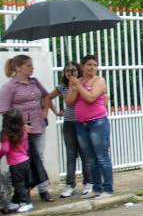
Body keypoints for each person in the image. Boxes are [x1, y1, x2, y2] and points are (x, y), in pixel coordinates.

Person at [0, 54, 52, 202]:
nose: (32, 68)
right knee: (24, 160)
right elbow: (4, 109)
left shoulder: (34, 82)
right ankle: (24, 191)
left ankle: (44, 190)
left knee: (39, 156)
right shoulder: (9, 86)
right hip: (19, 130)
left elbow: (46, 96)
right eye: (28, 65)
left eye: (32, 65)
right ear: (18, 67)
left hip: (38, 124)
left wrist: (45, 111)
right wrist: (21, 125)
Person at [67, 55, 113, 198]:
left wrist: (79, 86)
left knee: (102, 157)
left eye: (94, 65)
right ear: (82, 66)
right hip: (81, 124)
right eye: (89, 64)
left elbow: (91, 97)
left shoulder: (99, 80)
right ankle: (96, 188)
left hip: (97, 122)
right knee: (90, 159)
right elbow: (69, 102)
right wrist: (74, 86)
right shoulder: (78, 81)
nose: (92, 67)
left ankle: (108, 189)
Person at [47, 62, 91, 198]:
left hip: (83, 122)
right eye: (67, 71)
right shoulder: (63, 87)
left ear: (78, 71)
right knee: (71, 155)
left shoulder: (83, 83)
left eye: (73, 70)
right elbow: (47, 97)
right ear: (64, 74)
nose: (70, 73)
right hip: (69, 123)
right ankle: (70, 185)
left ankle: (88, 183)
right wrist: (55, 112)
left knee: (85, 154)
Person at [2, 109, 34, 213]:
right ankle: (15, 202)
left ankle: (27, 203)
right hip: (25, 160)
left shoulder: (6, 135)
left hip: (15, 164)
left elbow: (4, 149)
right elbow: (26, 146)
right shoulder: (23, 132)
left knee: (18, 184)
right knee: (20, 183)